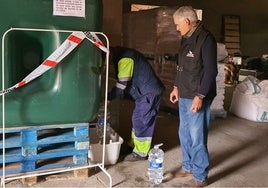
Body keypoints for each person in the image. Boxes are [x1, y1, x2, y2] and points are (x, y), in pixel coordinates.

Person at [169, 6, 218, 187]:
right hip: (184, 93)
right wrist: (176, 87)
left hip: (198, 95)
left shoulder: (206, 39)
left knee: (197, 136)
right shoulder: (186, 38)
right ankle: (188, 166)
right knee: (184, 133)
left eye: (177, 25)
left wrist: (200, 95)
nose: (177, 28)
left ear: (187, 22)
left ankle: (199, 176)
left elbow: (211, 71)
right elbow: (181, 67)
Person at [107, 46, 165, 161]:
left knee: (141, 120)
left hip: (149, 93)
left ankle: (141, 152)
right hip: (143, 93)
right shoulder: (121, 56)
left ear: (109, 54)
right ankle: (134, 146)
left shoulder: (126, 58)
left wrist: (108, 98)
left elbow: (121, 84)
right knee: (137, 119)